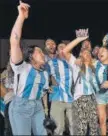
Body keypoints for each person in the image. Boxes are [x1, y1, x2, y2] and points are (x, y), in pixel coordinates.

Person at [8, 1, 49, 135]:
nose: (42, 53)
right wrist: (21, 17)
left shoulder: (44, 73)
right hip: (20, 107)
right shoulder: (22, 67)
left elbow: (42, 92)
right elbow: (14, 42)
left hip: (37, 106)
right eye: (38, 51)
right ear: (30, 56)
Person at [63, 29, 100, 135]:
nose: (87, 53)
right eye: (84, 52)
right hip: (80, 98)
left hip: (92, 98)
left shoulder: (95, 65)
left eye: (89, 52)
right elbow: (65, 51)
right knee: (81, 129)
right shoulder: (76, 64)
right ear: (80, 53)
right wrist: (79, 39)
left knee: (93, 128)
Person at [47, 42, 74, 135]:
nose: (63, 49)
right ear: (57, 52)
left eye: (65, 47)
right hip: (57, 98)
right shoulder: (51, 63)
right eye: (60, 48)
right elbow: (41, 74)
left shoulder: (73, 62)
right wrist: (47, 86)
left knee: (74, 127)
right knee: (58, 128)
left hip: (72, 99)